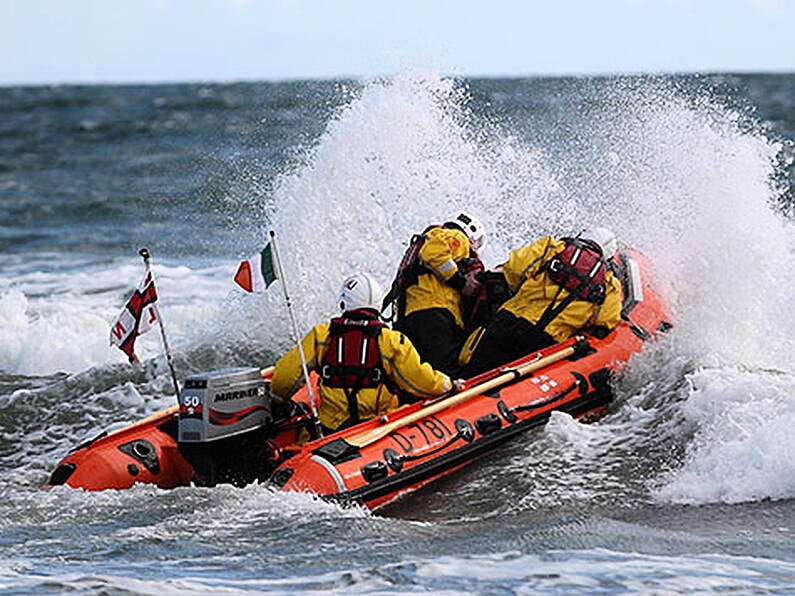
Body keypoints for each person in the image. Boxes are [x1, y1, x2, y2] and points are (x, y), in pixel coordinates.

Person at [270, 272, 458, 435]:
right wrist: (449, 385)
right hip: (376, 426)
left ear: (344, 302)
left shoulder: (321, 335)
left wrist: (279, 402)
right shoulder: (390, 340)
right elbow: (420, 381)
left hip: (329, 427)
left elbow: (283, 378)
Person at [459, 227, 623, 377]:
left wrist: (516, 291)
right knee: (514, 382)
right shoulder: (609, 283)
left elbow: (516, 268)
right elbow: (605, 320)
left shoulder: (553, 247)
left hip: (511, 319)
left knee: (476, 370)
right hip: (547, 341)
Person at [383, 212, 487, 376]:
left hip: (408, 317)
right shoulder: (456, 236)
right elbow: (434, 254)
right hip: (435, 313)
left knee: (421, 374)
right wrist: (462, 283)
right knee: (447, 370)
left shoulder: (423, 243)